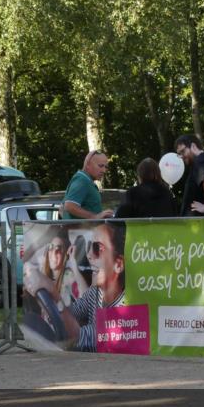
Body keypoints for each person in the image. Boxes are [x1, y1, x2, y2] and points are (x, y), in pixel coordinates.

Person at [62, 221, 126, 352]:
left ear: (118, 265)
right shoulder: (95, 292)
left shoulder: (126, 306)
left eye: (97, 248)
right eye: (89, 246)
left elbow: (82, 337)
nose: (89, 255)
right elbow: (73, 312)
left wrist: (52, 294)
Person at [62, 150, 114, 220]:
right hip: (81, 227)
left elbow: (61, 208)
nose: (104, 171)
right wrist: (94, 217)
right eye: (100, 166)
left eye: (106, 167)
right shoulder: (82, 180)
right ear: (88, 164)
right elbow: (69, 206)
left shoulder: (84, 180)